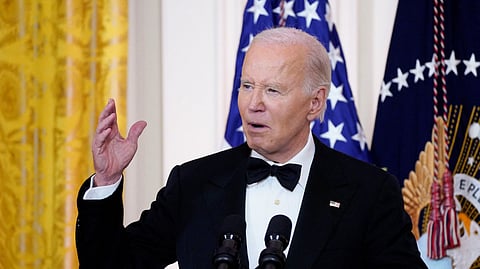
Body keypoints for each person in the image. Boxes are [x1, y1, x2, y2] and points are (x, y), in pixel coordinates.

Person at [76, 27, 427, 268]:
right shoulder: (194, 183)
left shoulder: (369, 192)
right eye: (246, 86)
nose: (253, 104)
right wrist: (106, 181)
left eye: (273, 90)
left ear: (315, 103)